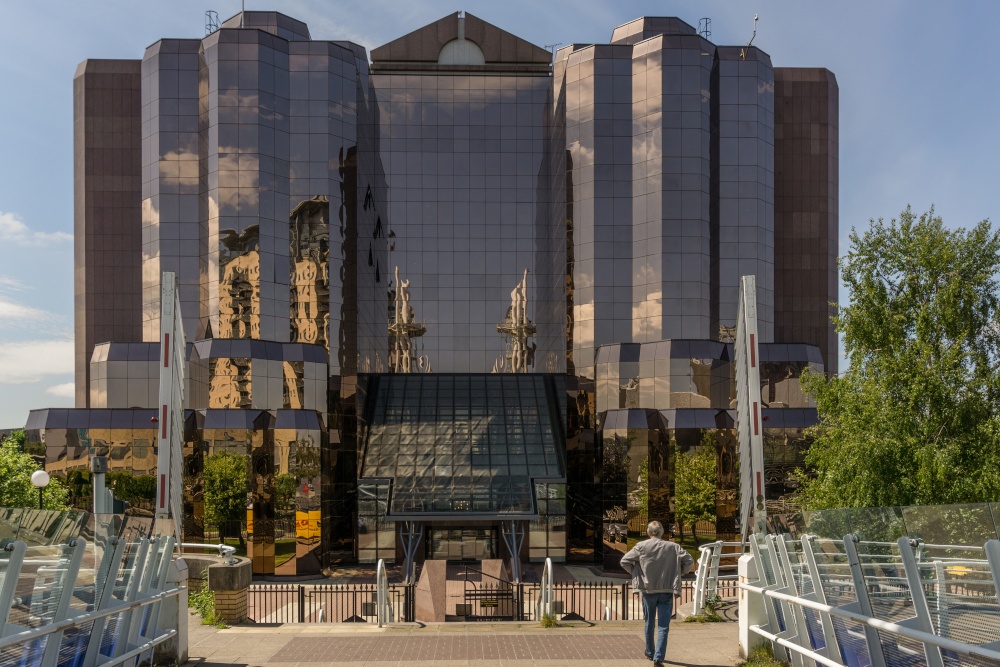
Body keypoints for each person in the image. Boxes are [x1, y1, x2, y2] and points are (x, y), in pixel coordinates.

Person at [620, 520, 694, 666]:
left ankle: (650, 651)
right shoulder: (673, 547)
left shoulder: (641, 546)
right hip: (666, 590)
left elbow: (624, 561)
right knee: (663, 626)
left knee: (649, 623)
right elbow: (689, 561)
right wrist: (680, 573)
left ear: (648, 533)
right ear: (661, 533)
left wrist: (636, 574)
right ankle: (658, 657)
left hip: (648, 590)